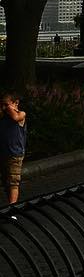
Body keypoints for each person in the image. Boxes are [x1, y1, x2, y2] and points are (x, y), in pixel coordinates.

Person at [1, 90, 27, 218]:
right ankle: (10, 205)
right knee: (6, 182)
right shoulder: (3, 117)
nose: (4, 107)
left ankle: (12, 209)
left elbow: (15, 118)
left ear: (16, 103)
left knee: (13, 182)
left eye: (7, 104)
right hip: (4, 154)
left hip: (15, 154)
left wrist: (10, 109)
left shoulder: (21, 114)